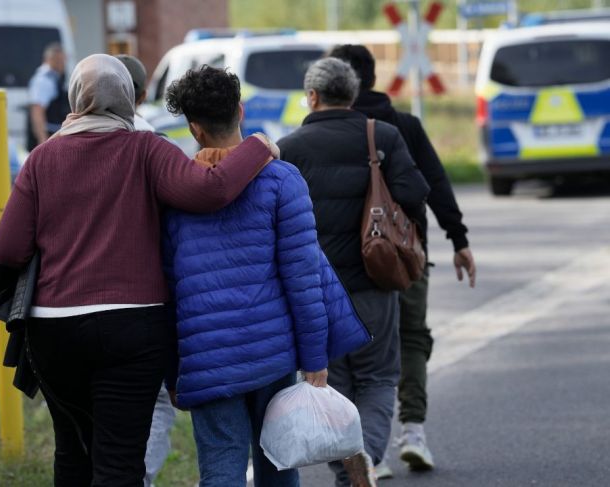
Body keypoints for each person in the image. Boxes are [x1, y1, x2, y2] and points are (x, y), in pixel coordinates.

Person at [0, 53, 277, 487]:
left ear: (75, 98)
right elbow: (211, 190)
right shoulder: (147, 150)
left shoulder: (41, 159)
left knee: (72, 448)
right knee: (120, 460)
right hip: (132, 330)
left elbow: (9, 249)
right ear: (128, 99)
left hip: (53, 334)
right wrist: (259, 146)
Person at [161, 65, 370, 487]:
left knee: (221, 469)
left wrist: (173, 371)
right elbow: (303, 277)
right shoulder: (280, 180)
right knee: (277, 464)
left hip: (206, 357)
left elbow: (166, 285)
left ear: (194, 128)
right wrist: (315, 358)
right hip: (273, 354)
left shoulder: (174, 192)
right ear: (240, 110)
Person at [278, 58, 429, 487]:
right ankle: (367, 453)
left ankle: (347, 465)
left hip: (317, 292)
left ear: (312, 97)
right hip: (374, 283)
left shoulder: (290, 148)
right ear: (353, 95)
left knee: (332, 384)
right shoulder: (382, 137)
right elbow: (416, 195)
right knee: (380, 376)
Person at [328, 44, 477, 474]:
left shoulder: (332, 131)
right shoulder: (404, 125)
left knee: (356, 353)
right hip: (405, 257)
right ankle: (413, 431)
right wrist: (458, 239)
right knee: (411, 337)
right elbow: (435, 184)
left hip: (347, 265)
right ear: (372, 78)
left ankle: (368, 452)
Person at [115, 53, 176, 487]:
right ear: (139, 95)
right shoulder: (152, 142)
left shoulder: (60, 143)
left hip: (69, 305)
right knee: (154, 403)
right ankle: (137, 478)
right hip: (143, 296)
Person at [26, 42, 71, 151]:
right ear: (53, 59)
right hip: (48, 137)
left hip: (54, 135)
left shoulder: (54, 78)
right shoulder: (44, 80)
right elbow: (37, 110)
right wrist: (43, 141)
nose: (63, 64)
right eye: (61, 61)